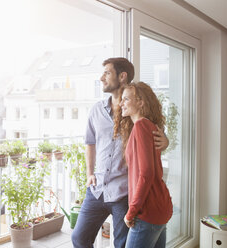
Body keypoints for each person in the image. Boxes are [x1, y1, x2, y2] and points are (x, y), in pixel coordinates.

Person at [71, 58, 169, 248]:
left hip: (124, 192)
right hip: (97, 189)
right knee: (79, 238)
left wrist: (165, 141)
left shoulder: (136, 111)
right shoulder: (96, 110)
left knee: (122, 245)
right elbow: (90, 143)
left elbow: (156, 135)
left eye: (107, 73)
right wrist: (89, 173)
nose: (101, 78)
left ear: (122, 76)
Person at [113, 82, 173, 248]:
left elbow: (146, 174)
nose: (121, 103)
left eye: (126, 99)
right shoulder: (148, 126)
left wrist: (131, 212)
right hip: (160, 207)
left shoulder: (140, 126)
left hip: (147, 211)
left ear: (140, 102)